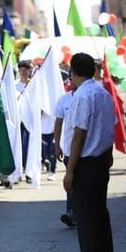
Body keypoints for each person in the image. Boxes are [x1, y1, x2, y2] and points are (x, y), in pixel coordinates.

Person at [61, 53, 116, 252]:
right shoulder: (103, 93)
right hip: (100, 161)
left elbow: (79, 133)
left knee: (87, 219)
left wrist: (70, 171)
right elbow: (109, 127)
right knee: (99, 216)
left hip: (86, 164)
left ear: (73, 73)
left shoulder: (83, 95)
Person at [54, 77, 78, 228]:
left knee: (81, 181)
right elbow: (58, 122)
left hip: (88, 151)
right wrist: (57, 146)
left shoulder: (91, 97)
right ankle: (71, 212)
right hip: (69, 149)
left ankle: (81, 212)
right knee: (72, 180)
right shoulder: (64, 99)